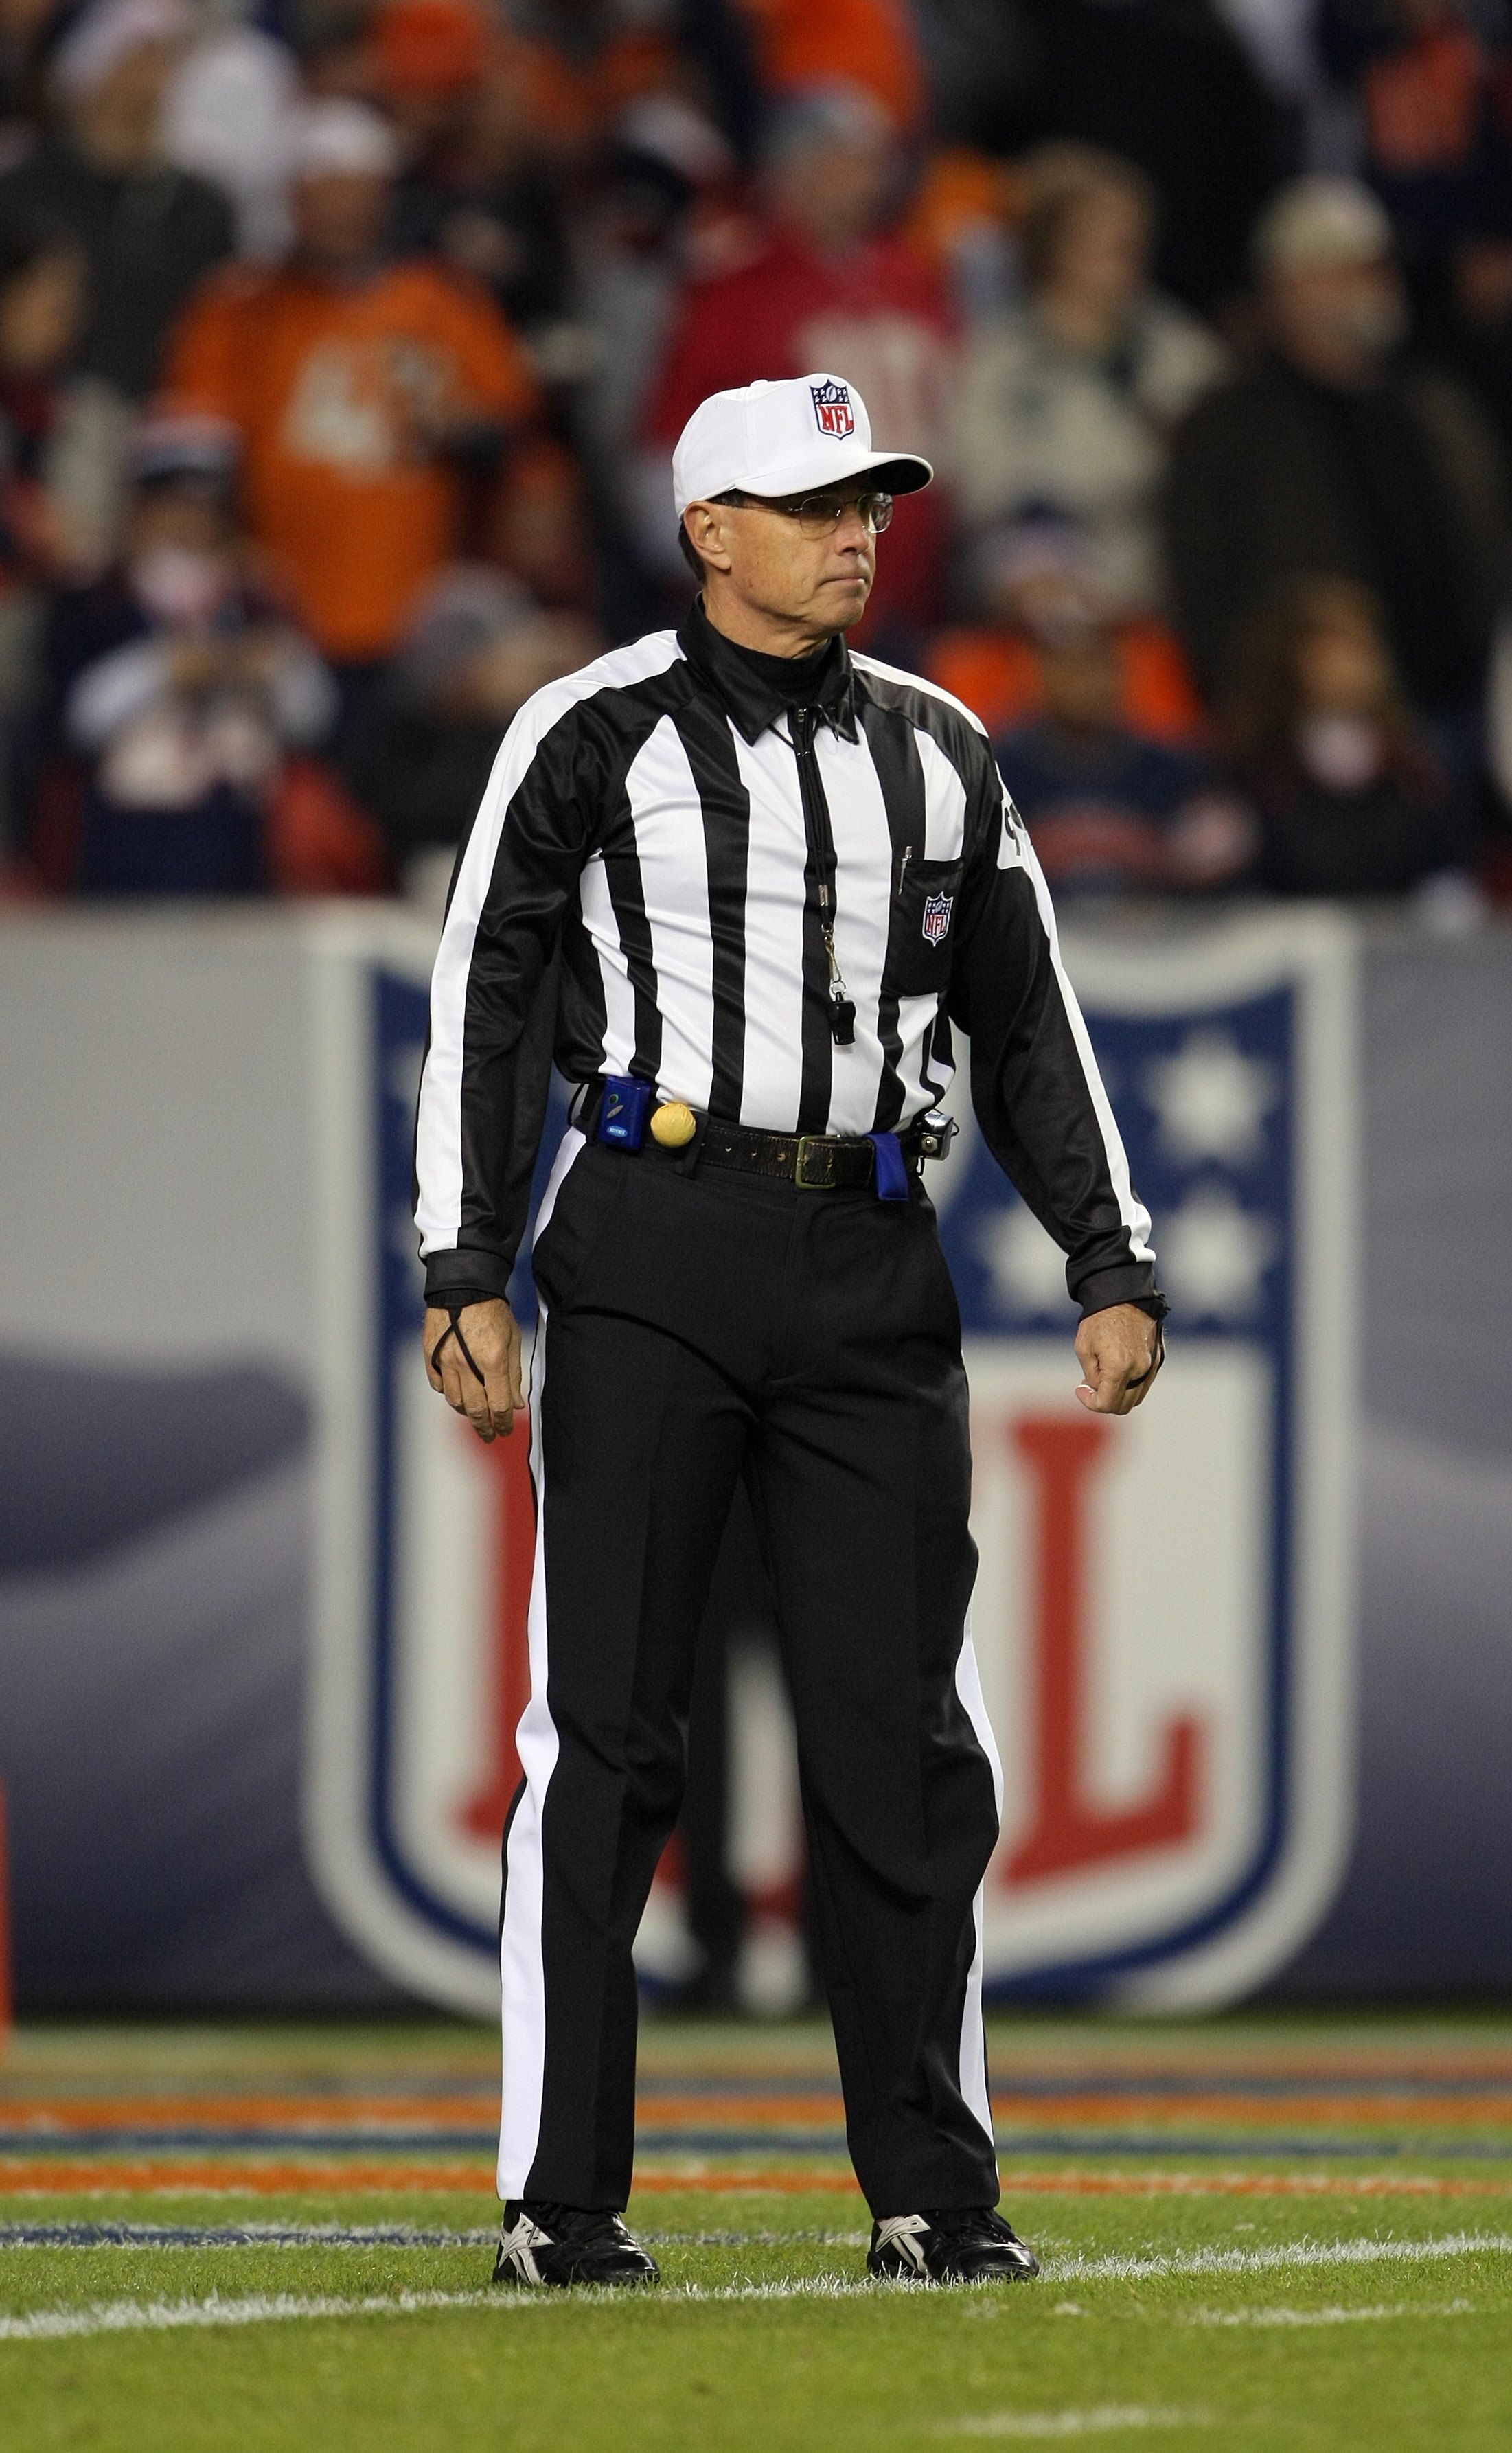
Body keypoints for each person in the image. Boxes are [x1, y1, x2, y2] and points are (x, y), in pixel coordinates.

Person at [411, 370, 1166, 2290]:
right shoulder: (588, 730)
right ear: (710, 527)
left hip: (870, 1264)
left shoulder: (941, 747)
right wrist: (465, 1260)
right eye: (817, 500)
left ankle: (937, 2188)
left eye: (873, 502)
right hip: (656, 1237)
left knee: (902, 1742)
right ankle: (559, 2200)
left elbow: (1024, 1020)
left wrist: (1107, 1251)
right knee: (607, 1735)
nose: (858, 533)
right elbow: (485, 994)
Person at [164, 99, 541, 777]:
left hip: (415, 610)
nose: (345, 212)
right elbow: (191, 458)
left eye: (359, 192)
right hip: (275, 609)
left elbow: (509, 428)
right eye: (325, 192)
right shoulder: (240, 307)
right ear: (290, 199)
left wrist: (462, 425)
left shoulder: (439, 301)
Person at [1165, 174, 1507, 721]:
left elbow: (1487, 540)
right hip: (1305, 724)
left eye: (1377, 268)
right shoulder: (1228, 426)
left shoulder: (1433, 404)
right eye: (1350, 269)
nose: (1376, 286)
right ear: (1290, 286)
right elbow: (1207, 587)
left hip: (1458, 708)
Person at [641, 82, 955, 652]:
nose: (869, 180)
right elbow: (669, 444)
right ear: (793, 172)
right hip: (788, 593)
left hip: (918, 585)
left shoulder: (914, 277)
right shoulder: (738, 290)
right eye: (847, 162)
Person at [38, 405, 337, 894]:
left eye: (204, 510)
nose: (189, 526)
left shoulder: (257, 598)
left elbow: (315, 718)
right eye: (172, 507)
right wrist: (164, 671)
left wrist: (272, 667)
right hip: (127, 838)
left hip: (239, 838)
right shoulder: (96, 598)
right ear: (139, 509)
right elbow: (73, 721)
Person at [949, 146, 1227, 617]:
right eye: (1098, 237)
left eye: (1129, 239)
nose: (1119, 251)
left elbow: (1219, 470)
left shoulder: (1179, 349)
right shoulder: (1000, 357)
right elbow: (981, 486)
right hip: (1038, 581)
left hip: (1157, 583)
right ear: (1054, 245)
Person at [0, 0, 233, 401]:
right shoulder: (19, 190)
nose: (152, 80)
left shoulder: (200, 209)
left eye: (164, 61)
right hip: (29, 421)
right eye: (137, 60)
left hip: (154, 424)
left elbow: (217, 333)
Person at [1220, 571, 1474, 895]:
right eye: (1334, 649)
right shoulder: (1261, 771)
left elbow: (1448, 862)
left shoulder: (1418, 761)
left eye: (1363, 647)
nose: (1354, 664)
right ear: (1291, 661)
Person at [996, 610, 1252, 897]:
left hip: (1155, 934)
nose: (1080, 682)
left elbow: (1218, 864)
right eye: (1066, 666)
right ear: (1037, 674)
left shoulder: (1177, 771)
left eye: (1094, 666)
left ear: (1119, 673)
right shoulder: (996, 771)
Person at [928, 510, 1204, 746]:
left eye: (1058, 578)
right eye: (1031, 580)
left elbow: (1180, 743)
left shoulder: (1146, 650)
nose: (1047, 595)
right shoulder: (968, 659)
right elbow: (959, 752)